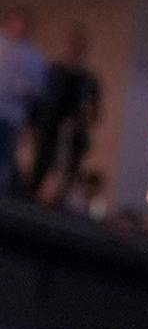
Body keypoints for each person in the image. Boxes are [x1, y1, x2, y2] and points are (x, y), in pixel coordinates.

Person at [31, 26, 101, 206]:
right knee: (41, 167)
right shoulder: (54, 72)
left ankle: (58, 203)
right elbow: (42, 101)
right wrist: (35, 126)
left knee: (67, 174)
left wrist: (81, 120)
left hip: (75, 136)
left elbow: (94, 112)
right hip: (50, 131)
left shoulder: (88, 80)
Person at [0, 8, 46, 198]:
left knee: (5, 159)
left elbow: (38, 89)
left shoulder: (33, 57)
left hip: (12, 116)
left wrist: (25, 89)